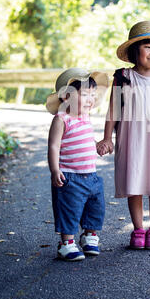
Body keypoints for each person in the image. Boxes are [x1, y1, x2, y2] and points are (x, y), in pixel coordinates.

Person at [97, 20, 150, 250]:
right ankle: (138, 229)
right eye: (147, 46)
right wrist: (107, 137)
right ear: (135, 51)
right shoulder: (123, 77)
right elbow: (113, 109)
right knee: (133, 183)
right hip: (130, 140)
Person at [46, 67, 109, 261]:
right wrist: (55, 169)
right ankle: (66, 243)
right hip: (70, 176)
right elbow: (54, 146)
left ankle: (89, 236)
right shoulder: (61, 119)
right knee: (69, 209)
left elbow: (85, 139)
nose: (91, 99)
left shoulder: (85, 117)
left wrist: (97, 145)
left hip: (91, 175)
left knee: (95, 207)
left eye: (93, 94)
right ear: (66, 96)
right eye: (85, 94)